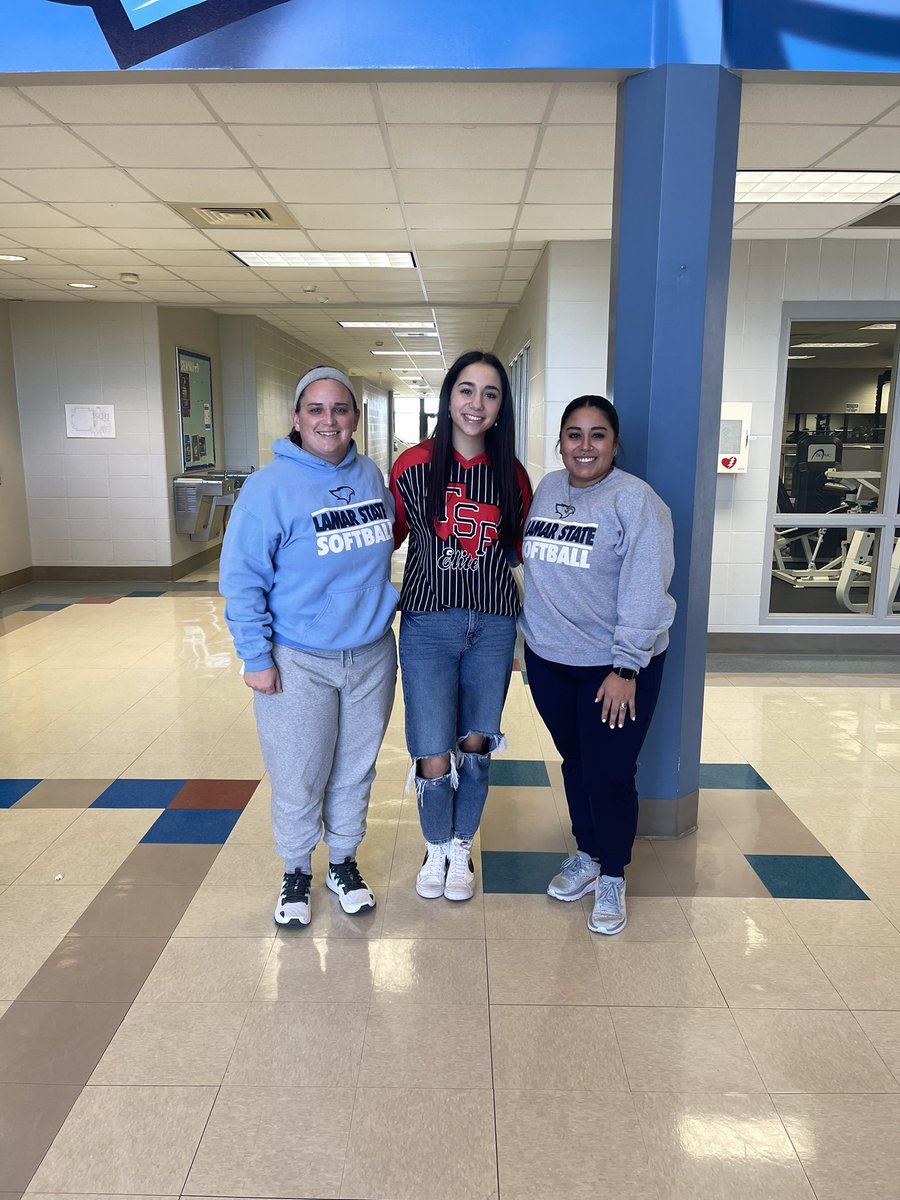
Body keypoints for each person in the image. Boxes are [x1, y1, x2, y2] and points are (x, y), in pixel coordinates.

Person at [219, 366, 398, 929]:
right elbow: (243, 578)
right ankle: (296, 869)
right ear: (296, 419)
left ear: (354, 418)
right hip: (299, 659)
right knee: (299, 771)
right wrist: (256, 657)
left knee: (355, 769)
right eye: (315, 409)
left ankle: (342, 862)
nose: (329, 420)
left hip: (371, 654)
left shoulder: (370, 474)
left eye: (339, 409)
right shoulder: (268, 488)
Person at [519, 395, 675, 935]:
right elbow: (538, 575)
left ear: (614, 443)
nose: (584, 447)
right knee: (575, 762)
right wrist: (528, 645)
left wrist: (627, 668)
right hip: (549, 662)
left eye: (597, 435)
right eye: (574, 435)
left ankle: (612, 874)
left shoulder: (636, 502)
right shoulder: (547, 489)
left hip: (613, 668)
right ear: (560, 441)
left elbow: (646, 591)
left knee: (609, 773)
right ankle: (587, 854)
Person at [390, 350, 532, 902]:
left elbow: (522, 553)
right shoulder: (412, 465)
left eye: (490, 393)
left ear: (502, 406)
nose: (477, 403)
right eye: (467, 390)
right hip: (427, 622)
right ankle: (434, 846)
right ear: (449, 397)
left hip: (494, 625)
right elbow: (386, 539)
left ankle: (460, 847)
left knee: (475, 743)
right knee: (432, 746)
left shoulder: (512, 474)